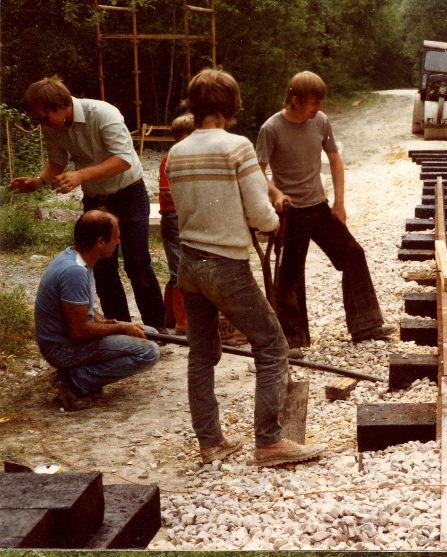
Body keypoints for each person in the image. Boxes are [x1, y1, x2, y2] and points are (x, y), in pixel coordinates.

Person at [167, 68, 325, 466]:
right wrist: (275, 219)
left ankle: (210, 442)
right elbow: (260, 214)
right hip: (226, 265)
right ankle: (269, 442)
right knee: (272, 346)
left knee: (200, 354)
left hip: (189, 263)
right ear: (230, 105)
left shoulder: (177, 154)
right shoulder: (236, 147)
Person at [8, 76, 165, 329]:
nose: (41, 124)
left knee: (137, 263)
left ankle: (157, 328)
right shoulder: (51, 126)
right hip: (95, 198)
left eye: (44, 117)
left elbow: (123, 159)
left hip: (128, 193)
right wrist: (37, 182)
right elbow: (57, 163)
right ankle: (121, 328)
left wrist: (80, 175)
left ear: (62, 105)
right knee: (102, 265)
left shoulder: (103, 113)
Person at [255, 71, 392, 355]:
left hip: (319, 206)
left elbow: (335, 159)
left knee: (354, 255)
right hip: (290, 213)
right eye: (313, 104)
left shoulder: (321, 122)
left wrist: (339, 203)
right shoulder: (271, 129)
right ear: (295, 100)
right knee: (290, 275)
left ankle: (365, 325)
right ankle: (293, 339)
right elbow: (257, 174)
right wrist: (276, 194)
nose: (319, 110)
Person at [35, 210, 160, 411]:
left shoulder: (78, 259)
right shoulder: (74, 271)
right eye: (116, 237)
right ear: (101, 242)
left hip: (68, 340)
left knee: (151, 334)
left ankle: (78, 375)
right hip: (62, 348)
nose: (119, 242)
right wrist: (119, 328)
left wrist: (109, 323)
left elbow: (85, 310)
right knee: (148, 352)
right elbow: (79, 331)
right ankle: (74, 381)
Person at [158, 114, 195, 335]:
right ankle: (182, 321)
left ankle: (170, 315)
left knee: (184, 264)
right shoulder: (171, 157)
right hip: (174, 216)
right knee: (179, 267)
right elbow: (166, 192)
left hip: (185, 215)